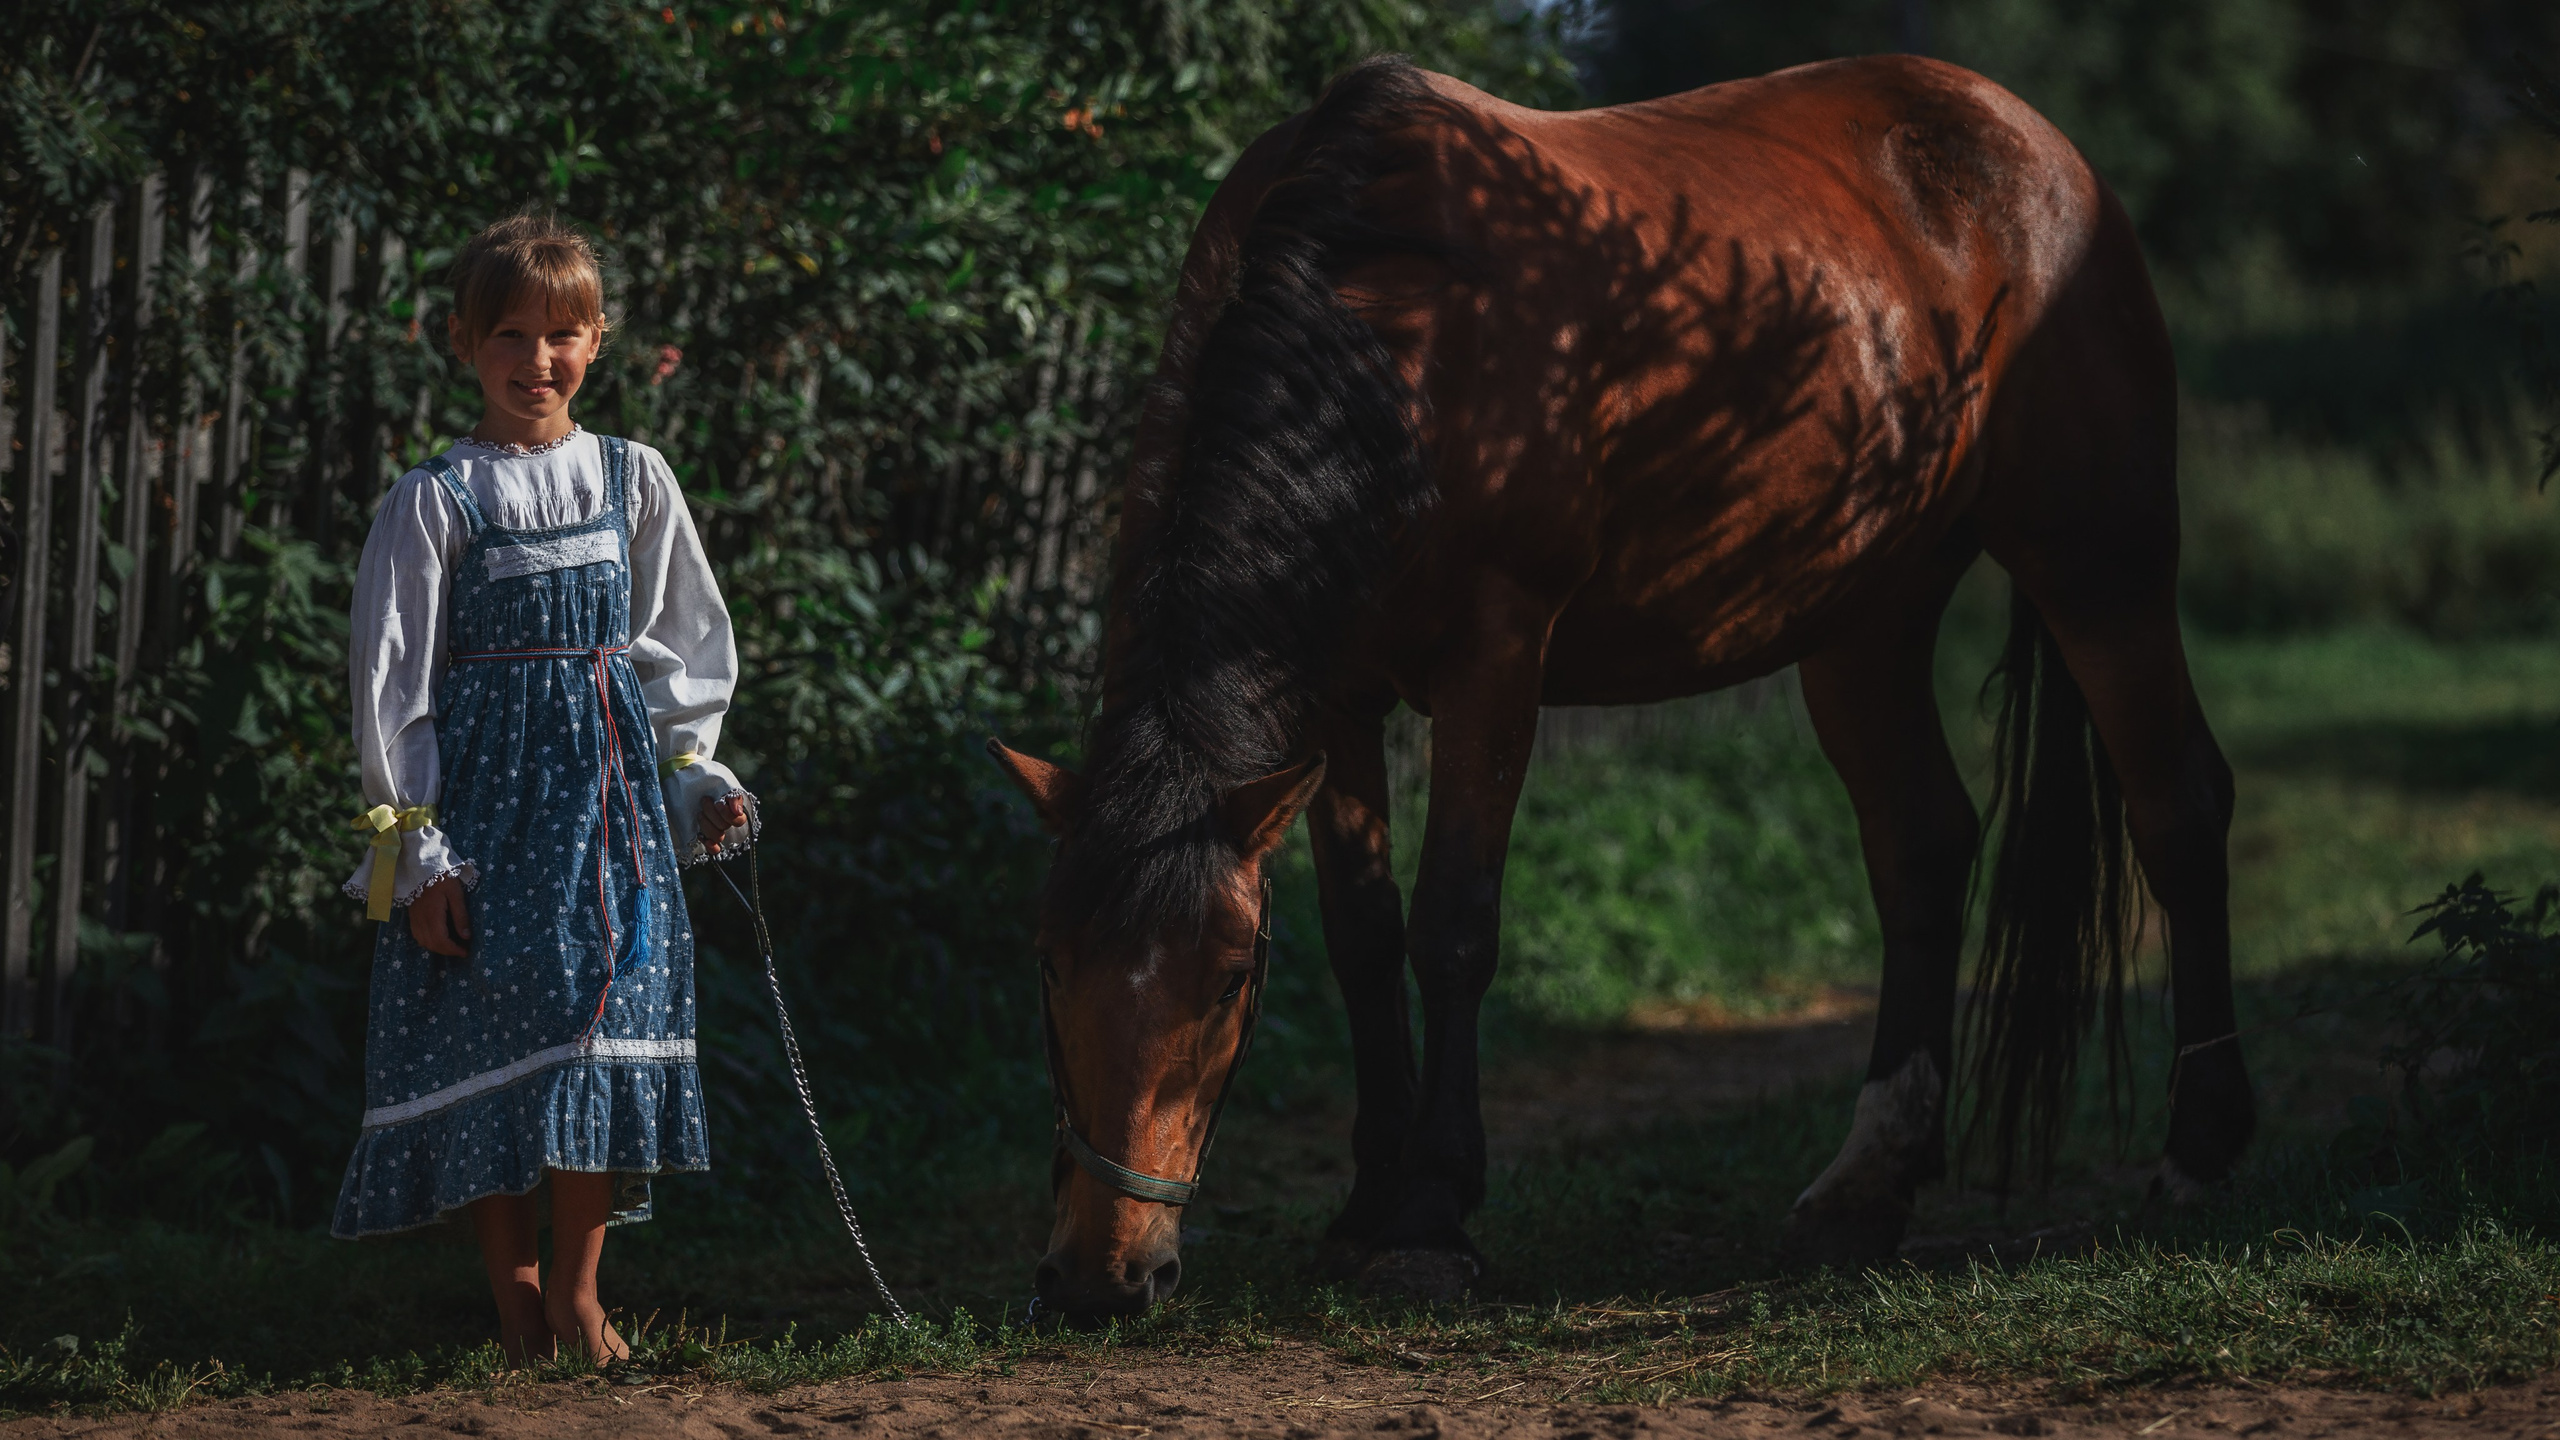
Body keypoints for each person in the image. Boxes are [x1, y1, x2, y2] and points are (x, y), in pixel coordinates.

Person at [330, 212, 754, 1366]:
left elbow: (682, 644)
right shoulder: (435, 502)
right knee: (488, 1039)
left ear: (599, 342)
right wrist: (418, 855)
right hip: (486, 817)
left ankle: (577, 1291)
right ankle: (513, 1297)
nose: (538, 360)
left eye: (563, 334)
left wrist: (692, 775)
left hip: (610, 815)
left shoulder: (634, 477)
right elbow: (393, 690)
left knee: (599, 1028)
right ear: (464, 343)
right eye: (511, 335)